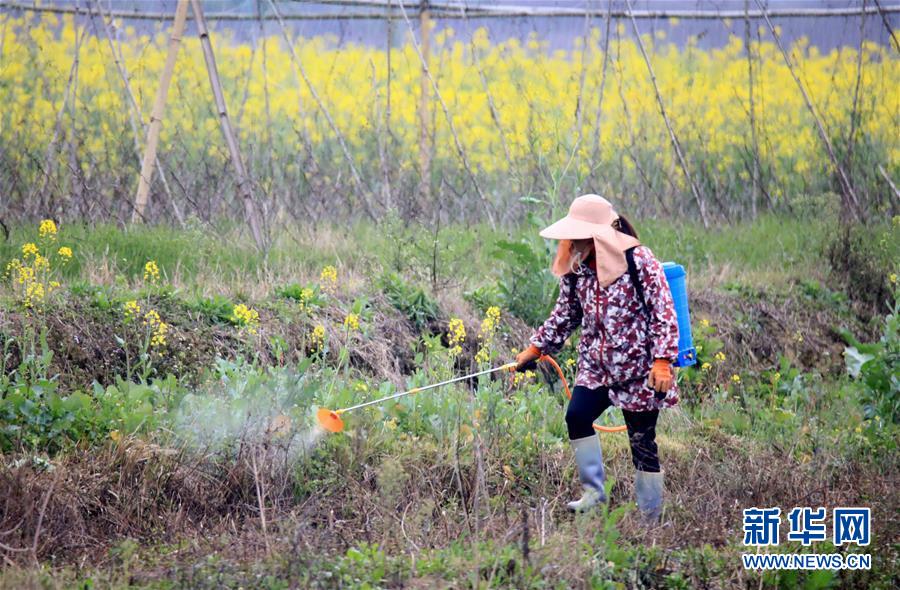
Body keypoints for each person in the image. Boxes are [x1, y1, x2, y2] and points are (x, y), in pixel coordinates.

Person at [516, 194, 679, 522]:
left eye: (580, 236)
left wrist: (662, 360)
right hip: (596, 367)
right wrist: (537, 347)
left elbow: (663, 312)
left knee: (642, 443)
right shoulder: (576, 270)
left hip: (640, 370)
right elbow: (566, 313)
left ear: (599, 235)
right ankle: (593, 493)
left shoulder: (638, 260)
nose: (573, 242)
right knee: (576, 416)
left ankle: (651, 518)